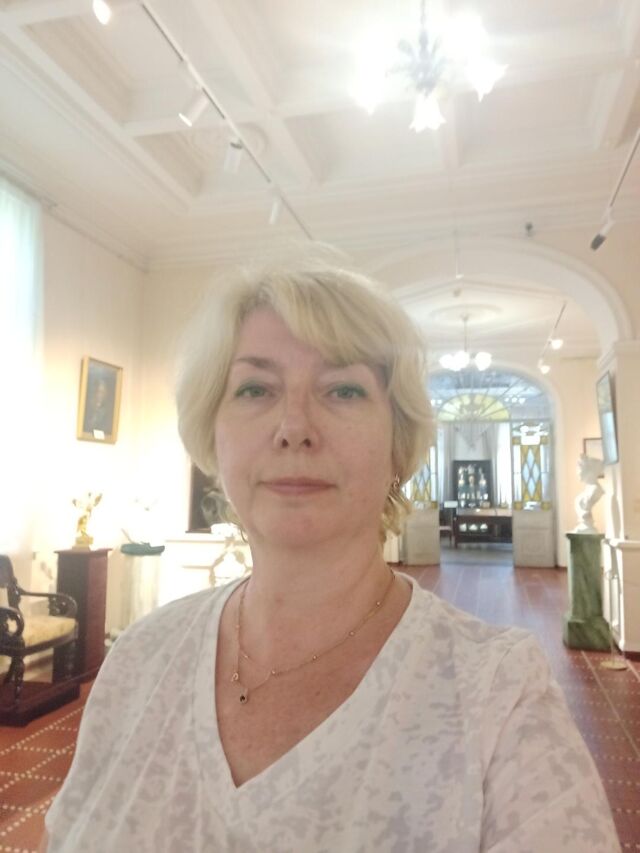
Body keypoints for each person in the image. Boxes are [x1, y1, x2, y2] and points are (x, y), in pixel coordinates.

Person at [42, 257, 620, 852]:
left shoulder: (498, 695)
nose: (294, 427)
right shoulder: (140, 660)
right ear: (212, 435)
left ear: (398, 444)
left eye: (343, 389)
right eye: (255, 389)